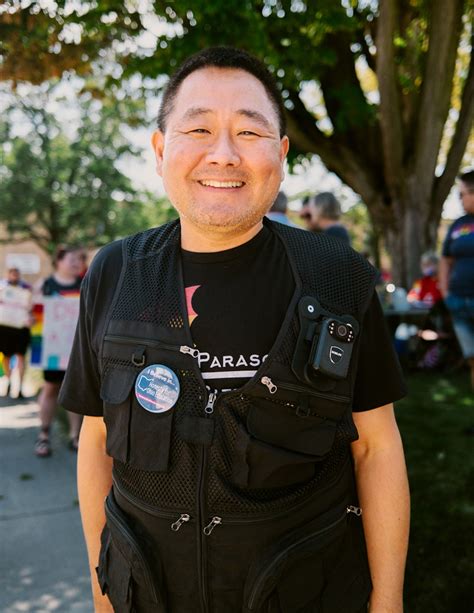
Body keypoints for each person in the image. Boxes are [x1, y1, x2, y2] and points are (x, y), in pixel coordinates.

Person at [59, 47, 409, 613]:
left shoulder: (339, 280)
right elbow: (95, 441)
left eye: (249, 132)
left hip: (305, 592)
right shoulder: (115, 272)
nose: (222, 154)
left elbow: (377, 448)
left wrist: (388, 600)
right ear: (159, 149)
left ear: (282, 153)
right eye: (197, 128)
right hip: (146, 592)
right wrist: (102, 594)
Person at [34, 246, 83, 457]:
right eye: (72, 258)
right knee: (50, 389)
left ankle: (76, 437)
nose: (76, 263)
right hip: (52, 351)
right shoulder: (44, 285)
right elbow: (32, 316)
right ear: (59, 261)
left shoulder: (86, 285)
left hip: (76, 350)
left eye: (80, 259)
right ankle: (44, 435)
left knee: (74, 391)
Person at [439, 170, 474, 388]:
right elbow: (445, 259)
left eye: (463, 194)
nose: (460, 200)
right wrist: (445, 292)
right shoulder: (458, 225)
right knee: (472, 360)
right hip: (458, 302)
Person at [0, 267, 32, 398]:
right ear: (8, 275)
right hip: (5, 327)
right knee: (6, 357)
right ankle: (8, 381)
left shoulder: (26, 289)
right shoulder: (2, 287)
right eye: (12, 274)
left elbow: (32, 305)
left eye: (16, 274)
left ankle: (19, 386)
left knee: (20, 357)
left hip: (21, 327)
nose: (15, 277)